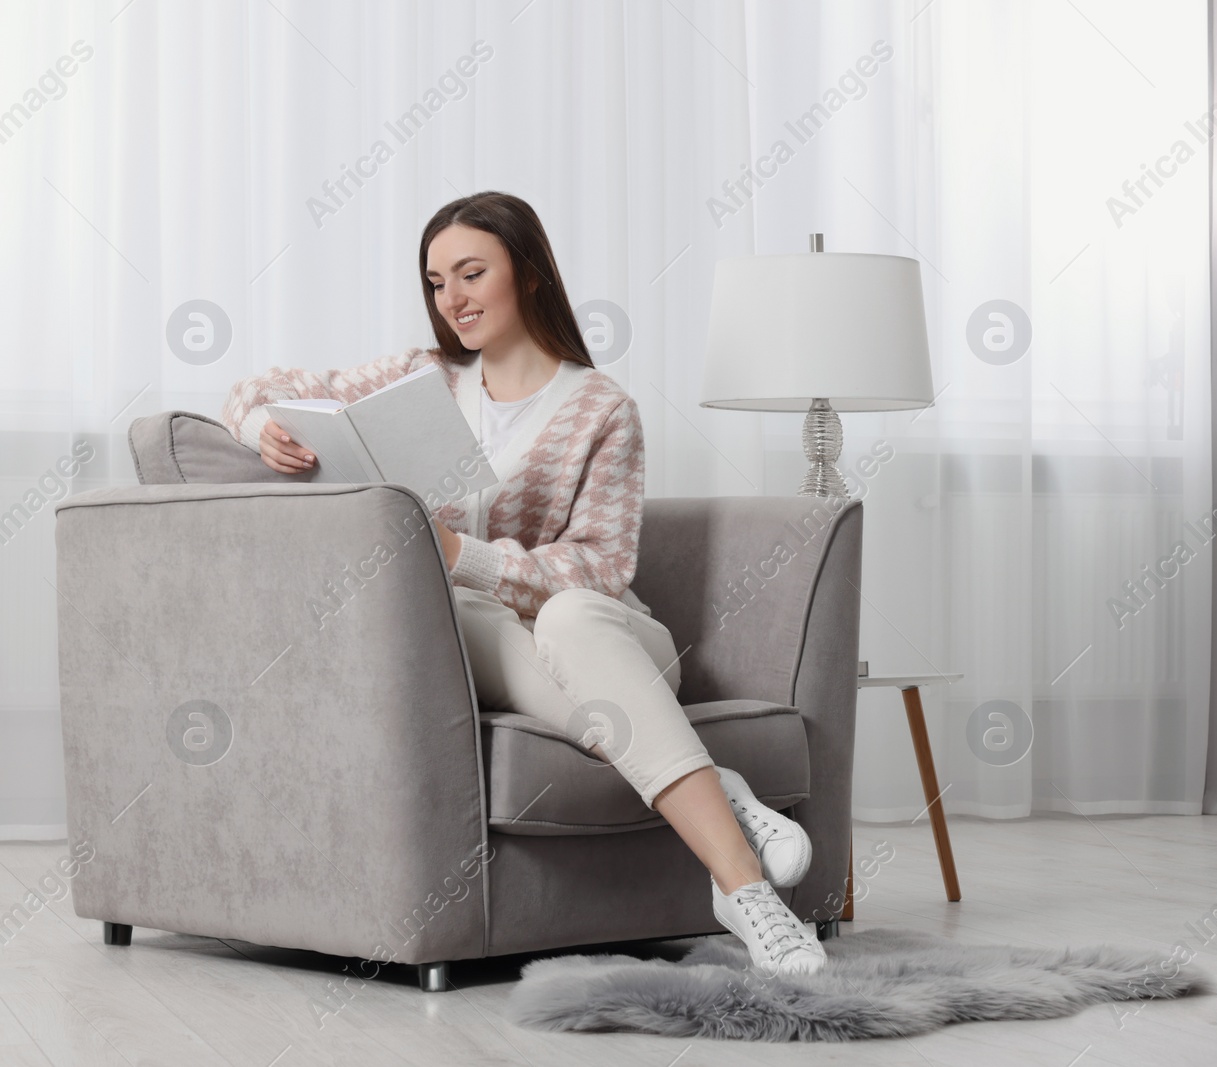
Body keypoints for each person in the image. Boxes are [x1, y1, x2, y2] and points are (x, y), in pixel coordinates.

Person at [219, 191, 826, 977]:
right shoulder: (419, 377)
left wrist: (461, 551)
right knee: (442, 611)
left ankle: (732, 857)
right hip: (478, 636)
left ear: (529, 272)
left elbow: (604, 566)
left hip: (611, 640)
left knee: (567, 612)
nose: (454, 299)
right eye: (437, 283)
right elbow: (253, 387)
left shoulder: (603, 407)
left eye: (472, 273)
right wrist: (256, 428)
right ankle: (737, 860)